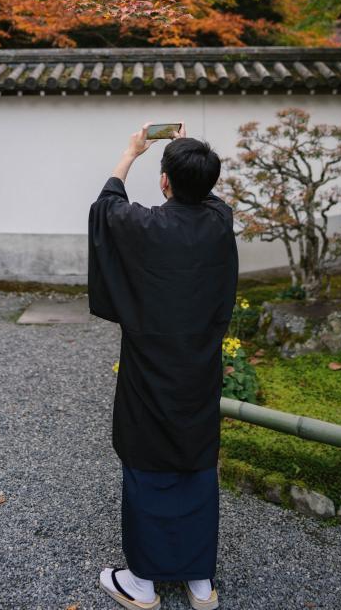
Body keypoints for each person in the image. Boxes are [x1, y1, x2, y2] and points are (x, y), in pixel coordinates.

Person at [88, 122, 239, 610]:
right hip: (198, 366)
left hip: (149, 367)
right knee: (196, 462)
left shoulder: (144, 225)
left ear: (164, 182)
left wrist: (131, 152)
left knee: (147, 460)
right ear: (210, 184)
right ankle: (200, 581)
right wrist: (189, 157)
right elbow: (209, 197)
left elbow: (105, 208)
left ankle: (142, 583)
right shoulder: (219, 221)